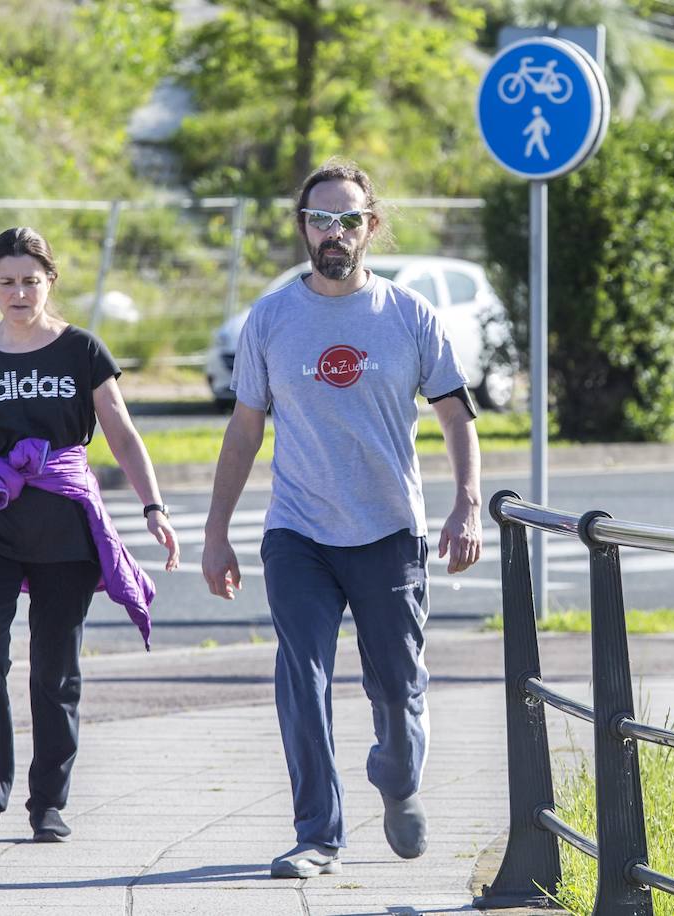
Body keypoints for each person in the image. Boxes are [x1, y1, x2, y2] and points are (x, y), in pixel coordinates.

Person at [201, 160, 482, 879]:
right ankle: (317, 833)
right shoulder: (272, 318)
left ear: (371, 226)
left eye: (348, 219)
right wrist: (217, 532)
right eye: (320, 219)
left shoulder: (409, 315)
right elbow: (244, 431)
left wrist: (467, 502)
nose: (334, 232)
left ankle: (398, 775)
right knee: (303, 675)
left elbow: (456, 414)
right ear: (302, 227)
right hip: (298, 532)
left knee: (397, 683)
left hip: (389, 530)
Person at [0, 227, 179, 845]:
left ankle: (48, 803)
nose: (19, 292)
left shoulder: (81, 350)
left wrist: (153, 508)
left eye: (31, 280)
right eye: (7, 281)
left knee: (54, 670)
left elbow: (121, 432)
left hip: (65, 532)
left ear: (50, 281)